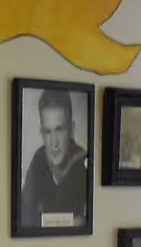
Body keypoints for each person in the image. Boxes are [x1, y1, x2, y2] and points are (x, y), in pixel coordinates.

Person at [18, 89, 88, 229]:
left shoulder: (86, 165)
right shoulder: (38, 162)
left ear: (71, 130)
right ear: (41, 133)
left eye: (59, 130)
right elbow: (23, 219)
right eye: (47, 132)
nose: (53, 142)